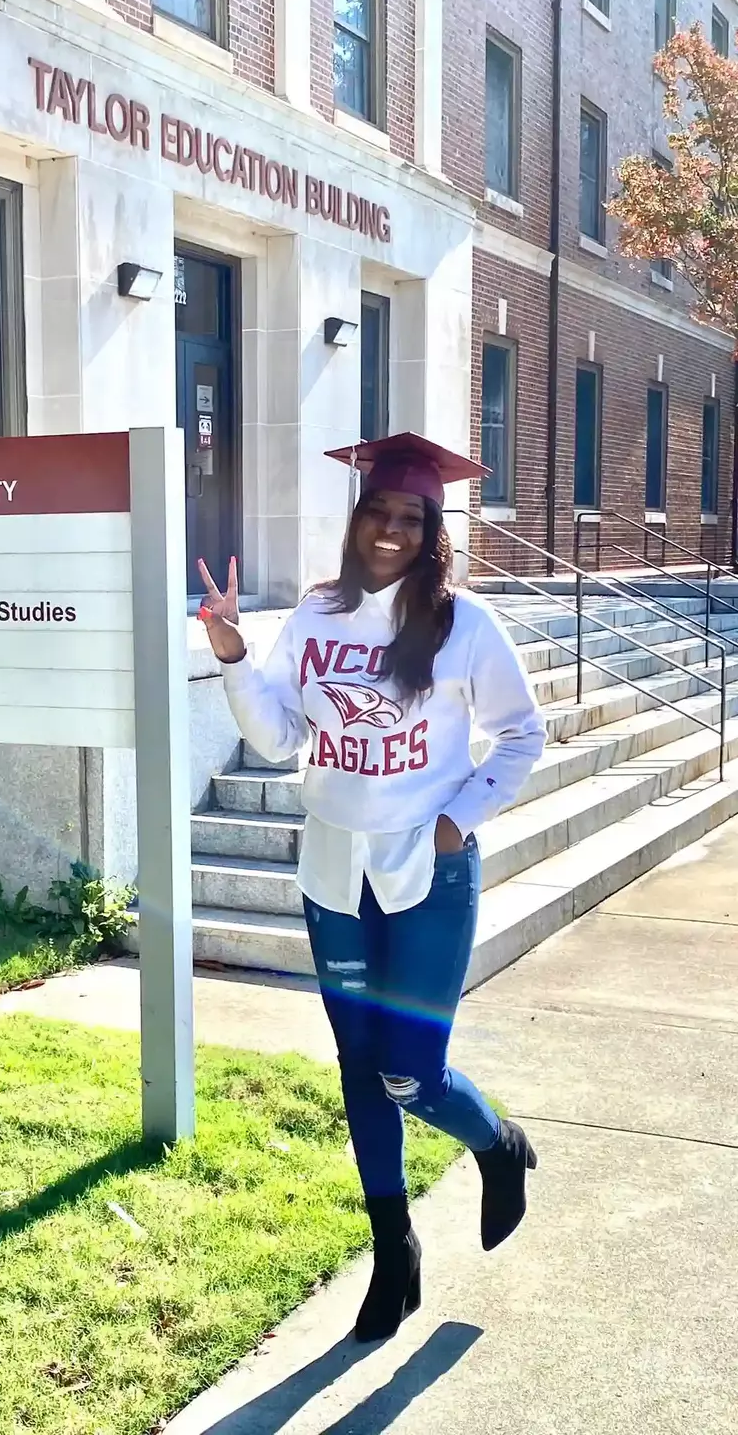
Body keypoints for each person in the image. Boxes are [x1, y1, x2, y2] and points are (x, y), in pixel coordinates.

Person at [196, 431, 547, 1343]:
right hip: (332, 871)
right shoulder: (315, 617)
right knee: (358, 1069)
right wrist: (235, 651)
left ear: (432, 531)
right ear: (356, 520)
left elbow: (521, 736)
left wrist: (451, 821)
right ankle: (395, 1255)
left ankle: (495, 1141)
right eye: (378, 511)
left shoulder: (465, 624)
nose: (390, 528)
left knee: (408, 1072)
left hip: (426, 873)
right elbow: (277, 738)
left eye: (410, 517)